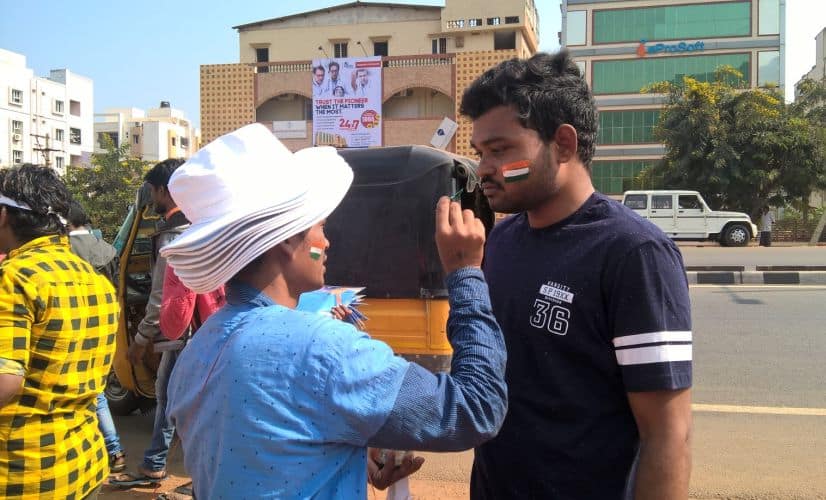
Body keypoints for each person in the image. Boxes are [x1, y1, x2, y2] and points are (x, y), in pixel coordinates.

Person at [162, 123, 507, 498]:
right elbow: (476, 408)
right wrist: (465, 273)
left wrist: (345, 453)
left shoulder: (195, 354)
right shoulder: (320, 348)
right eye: (320, 227)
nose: (326, 242)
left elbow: (262, 451)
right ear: (286, 239)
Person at [460, 51, 693, 499]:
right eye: (480, 153)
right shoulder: (498, 243)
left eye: (501, 150)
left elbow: (668, 434)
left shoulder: (634, 253)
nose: (484, 168)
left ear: (563, 144)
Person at [0, 164, 119, 499]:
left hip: (22, 473)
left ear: (3, 215)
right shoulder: (94, 279)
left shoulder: (15, 277)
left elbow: (5, 380)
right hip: (84, 464)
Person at [111, 158, 188, 487]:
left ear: (163, 191)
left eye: (154, 192)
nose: (153, 199)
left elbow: (160, 296)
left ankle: (156, 464)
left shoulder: (171, 235)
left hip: (181, 334)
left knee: (167, 396)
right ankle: (159, 462)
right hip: (202, 329)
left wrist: (141, 339)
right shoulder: (200, 224)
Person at [66, 201, 127, 474]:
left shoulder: (63, 252)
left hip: (73, 327)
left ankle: (105, 451)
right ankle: (115, 452)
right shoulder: (108, 250)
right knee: (98, 390)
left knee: (88, 394)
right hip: (105, 326)